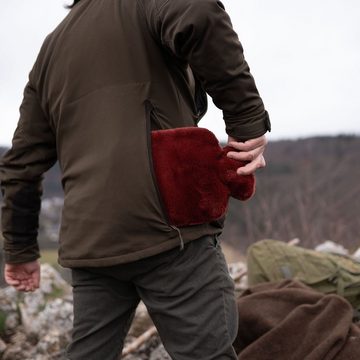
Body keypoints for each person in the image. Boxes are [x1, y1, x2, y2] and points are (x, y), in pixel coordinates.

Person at [1, 0, 271, 358]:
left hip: (92, 242)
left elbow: (21, 164)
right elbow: (198, 12)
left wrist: (20, 249)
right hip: (168, 228)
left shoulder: (51, 49)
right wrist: (247, 119)